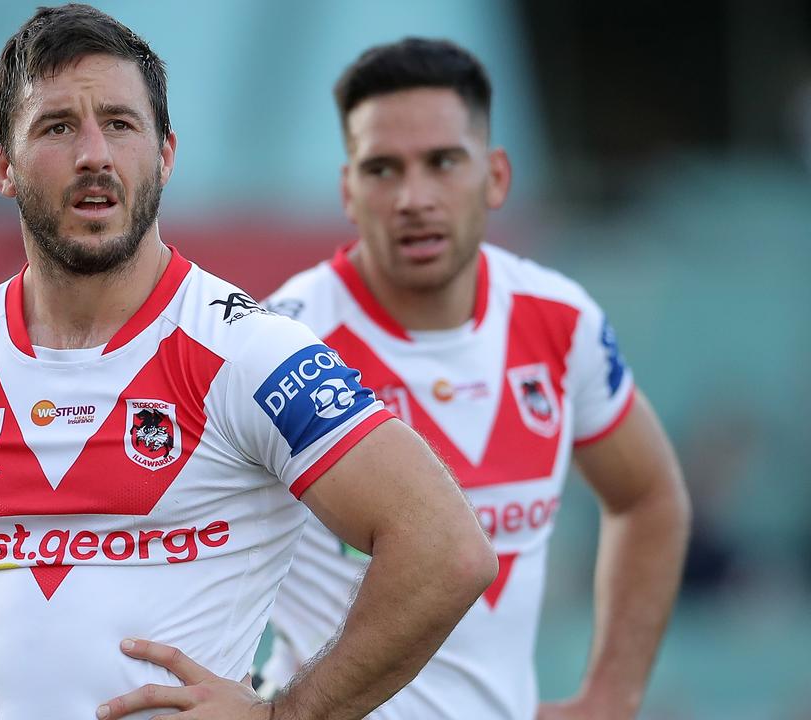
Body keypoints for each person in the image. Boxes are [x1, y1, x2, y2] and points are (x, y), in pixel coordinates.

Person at [0, 7, 497, 720]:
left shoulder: (251, 356)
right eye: (56, 127)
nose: (94, 154)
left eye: (120, 124)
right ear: (1, 167)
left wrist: (290, 715)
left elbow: (446, 550)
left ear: (165, 155)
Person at [258, 38, 691, 720]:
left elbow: (648, 496)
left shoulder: (561, 320)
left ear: (494, 176)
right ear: (348, 189)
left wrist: (613, 696)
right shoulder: (282, 340)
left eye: (442, 163)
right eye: (382, 169)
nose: (413, 197)